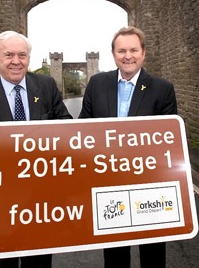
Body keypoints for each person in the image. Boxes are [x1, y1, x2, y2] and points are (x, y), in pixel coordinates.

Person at [0, 30, 72, 268]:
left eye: (22, 55)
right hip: (1, 202)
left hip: (40, 200)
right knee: (1, 263)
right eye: (9, 55)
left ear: (28, 58)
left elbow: (65, 128)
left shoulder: (46, 86)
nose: (16, 61)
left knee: (39, 263)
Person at [78, 26, 177, 268]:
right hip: (108, 182)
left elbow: (168, 141)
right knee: (114, 253)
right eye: (121, 50)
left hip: (149, 185)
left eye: (133, 50)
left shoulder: (162, 89)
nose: (128, 56)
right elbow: (83, 130)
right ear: (113, 54)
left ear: (143, 53)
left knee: (152, 252)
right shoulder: (97, 83)